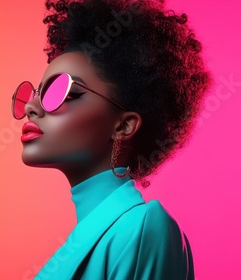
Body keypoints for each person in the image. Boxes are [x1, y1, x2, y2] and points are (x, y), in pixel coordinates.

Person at [11, 0, 212, 279]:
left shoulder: (142, 230)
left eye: (62, 93)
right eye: (37, 93)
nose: (33, 107)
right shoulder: (88, 239)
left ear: (124, 125)